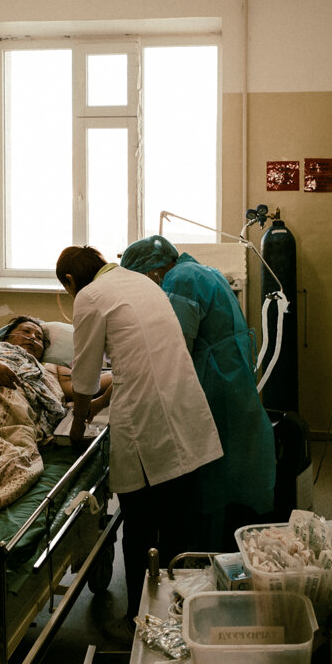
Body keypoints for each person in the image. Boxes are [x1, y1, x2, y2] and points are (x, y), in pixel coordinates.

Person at [56, 245, 224, 634]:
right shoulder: (141, 282)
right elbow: (138, 356)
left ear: (70, 280)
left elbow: (84, 373)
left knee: (140, 527)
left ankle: (138, 620)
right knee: (178, 523)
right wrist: (101, 403)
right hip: (182, 404)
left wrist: (77, 426)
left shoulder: (90, 296)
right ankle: (180, 614)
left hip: (148, 420)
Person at [121, 235, 276, 552]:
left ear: (153, 271)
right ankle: (223, 542)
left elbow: (175, 344)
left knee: (211, 472)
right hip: (230, 378)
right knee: (229, 468)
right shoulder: (202, 271)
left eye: (143, 280)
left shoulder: (181, 280)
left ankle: (203, 551)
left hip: (215, 384)